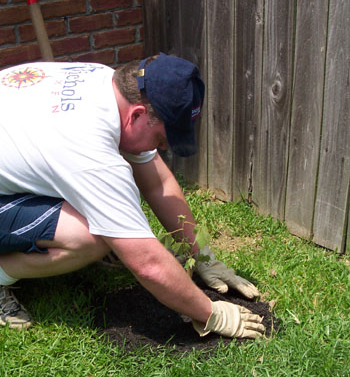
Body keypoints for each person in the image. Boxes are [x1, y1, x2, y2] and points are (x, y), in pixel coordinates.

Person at [0, 53, 265, 339]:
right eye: (161, 140)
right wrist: (211, 313)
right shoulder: (90, 151)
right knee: (90, 237)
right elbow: (147, 264)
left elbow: (158, 184)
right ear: (138, 114)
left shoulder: (109, 86)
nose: (162, 149)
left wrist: (201, 254)